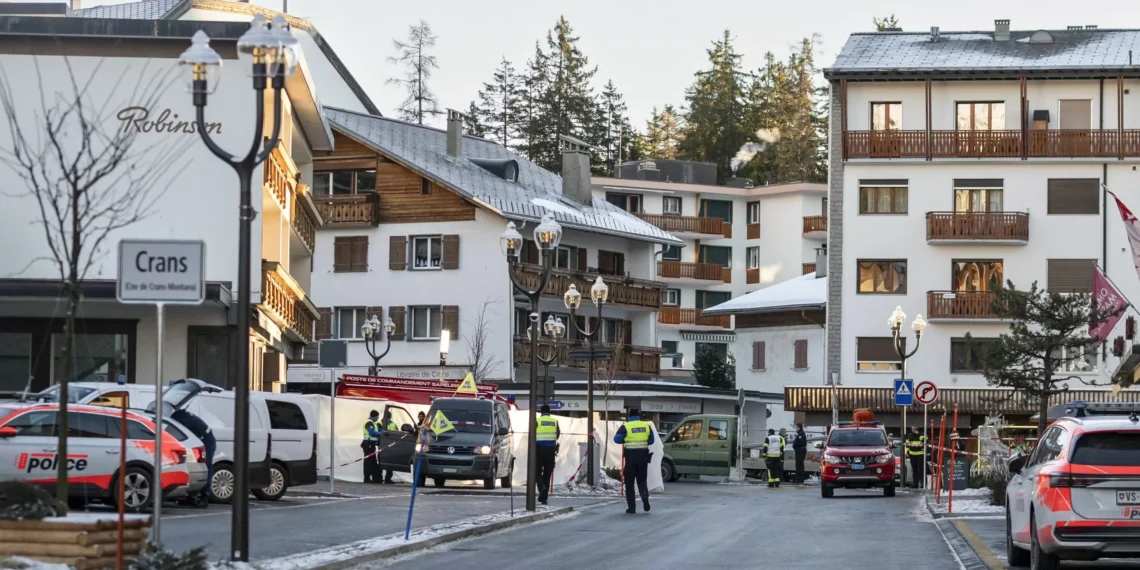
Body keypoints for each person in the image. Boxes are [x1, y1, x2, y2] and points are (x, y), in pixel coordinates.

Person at [170, 406, 215, 503]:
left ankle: (205, 495)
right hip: (205, 437)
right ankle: (194, 494)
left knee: (204, 467)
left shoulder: (180, 419)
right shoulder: (182, 415)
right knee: (195, 466)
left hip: (206, 440)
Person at [614, 407, 654, 514]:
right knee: (642, 481)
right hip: (643, 458)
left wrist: (625, 438)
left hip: (630, 458)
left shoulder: (626, 426)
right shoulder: (646, 426)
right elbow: (651, 440)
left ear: (629, 416)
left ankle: (632, 508)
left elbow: (616, 439)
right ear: (639, 416)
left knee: (629, 483)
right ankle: (645, 500)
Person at [535, 404, 560, 505]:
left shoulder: (537, 421)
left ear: (541, 412)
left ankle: (542, 488)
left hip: (539, 449)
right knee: (547, 474)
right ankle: (544, 498)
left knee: (536, 472)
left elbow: (532, 434)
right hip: (551, 450)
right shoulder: (554, 422)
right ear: (549, 412)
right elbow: (557, 434)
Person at [362, 410, 383, 484]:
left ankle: (375, 478)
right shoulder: (369, 423)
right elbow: (372, 433)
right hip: (368, 445)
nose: (378, 418)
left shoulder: (373, 423)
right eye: (377, 416)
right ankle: (367, 478)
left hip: (371, 445)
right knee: (368, 462)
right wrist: (381, 433)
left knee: (373, 462)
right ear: (374, 416)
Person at [379, 410, 398, 484]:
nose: (388, 419)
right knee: (380, 462)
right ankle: (379, 478)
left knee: (390, 462)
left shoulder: (393, 424)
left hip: (390, 445)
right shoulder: (379, 424)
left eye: (389, 417)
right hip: (382, 445)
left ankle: (388, 478)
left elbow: (397, 433)